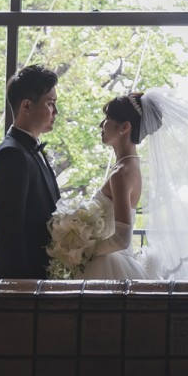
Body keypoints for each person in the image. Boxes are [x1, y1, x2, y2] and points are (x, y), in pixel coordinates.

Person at [0, 64, 60, 279]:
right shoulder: (12, 154)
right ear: (27, 106)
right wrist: (21, 289)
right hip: (22, 282)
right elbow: (9, 232)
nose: (55, 111)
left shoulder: (30, 149)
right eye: (50, 103)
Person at [80, 92, 157, 280]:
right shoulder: (130, 165)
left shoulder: (121, 173)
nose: (101, 124)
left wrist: (85, 251)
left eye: (107, 118)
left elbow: (122, 239)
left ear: (124, 127)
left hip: (109, 264)